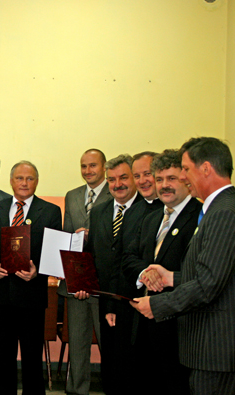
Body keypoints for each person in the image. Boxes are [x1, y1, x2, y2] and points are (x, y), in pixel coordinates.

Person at [133, 137, 235, 394]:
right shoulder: (224, 207)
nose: (183, 177)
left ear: (205, 168)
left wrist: (156, 305)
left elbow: (208, 286)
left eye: (185, 169)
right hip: (216, 350)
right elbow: (219, 275)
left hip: (219, 350)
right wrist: (171, 277)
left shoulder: (224, 213)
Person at [122, 149, 201, 395]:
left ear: (186, 179)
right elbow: (129, 258)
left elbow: (200, 272)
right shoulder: (151, 218)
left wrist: (165, 277)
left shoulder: (201, 216)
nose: (164, 185)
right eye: (159, 179)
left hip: (181, 329)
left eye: (171, 178)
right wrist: (146, 273)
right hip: (146, 326)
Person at [0, 161, 62, 395]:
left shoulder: (50, 211)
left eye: (29, 179)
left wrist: (37, 271)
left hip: (32, 296)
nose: (24, 183)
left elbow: (53, 253)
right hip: (0, 295)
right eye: (19, 178)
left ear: (36, 182)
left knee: (32, 357)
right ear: (11, 181)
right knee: (1, 356)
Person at [83, 153, 142, 394]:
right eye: (111, 179)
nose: (118, 184)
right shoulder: (99, 212)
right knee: (110, 363)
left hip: (137, 303)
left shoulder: (149, 210)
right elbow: (92, 254)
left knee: (135, 367)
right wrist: (83, 283)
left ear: (134, 178)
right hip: (106, 299)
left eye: (124, 178)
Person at [59, 148, 112, 395]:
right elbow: (67, 236)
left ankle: (114, 387)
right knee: (77, 342)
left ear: (104, 167)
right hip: (76, 283)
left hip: (103, 284)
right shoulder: (72, 195)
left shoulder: (115, 193)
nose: (88, 170)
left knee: (108, 342)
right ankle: (77, 389)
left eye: (93, 165)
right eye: (83, 166)